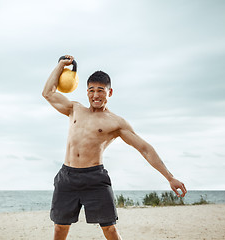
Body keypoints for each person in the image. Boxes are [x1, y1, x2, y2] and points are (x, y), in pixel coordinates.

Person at [42, 55, 187, 240]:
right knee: (60, 228)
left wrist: (170, 177)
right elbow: (48, 93)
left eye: (101, 90)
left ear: (109, 93)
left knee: (109, 229)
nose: (96, 95)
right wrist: (61, 66)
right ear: (86, 92)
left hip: (95, 178)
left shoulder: (116, 123)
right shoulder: (74, 109)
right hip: (67, 176)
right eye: (91, 90)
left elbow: (145, 148)